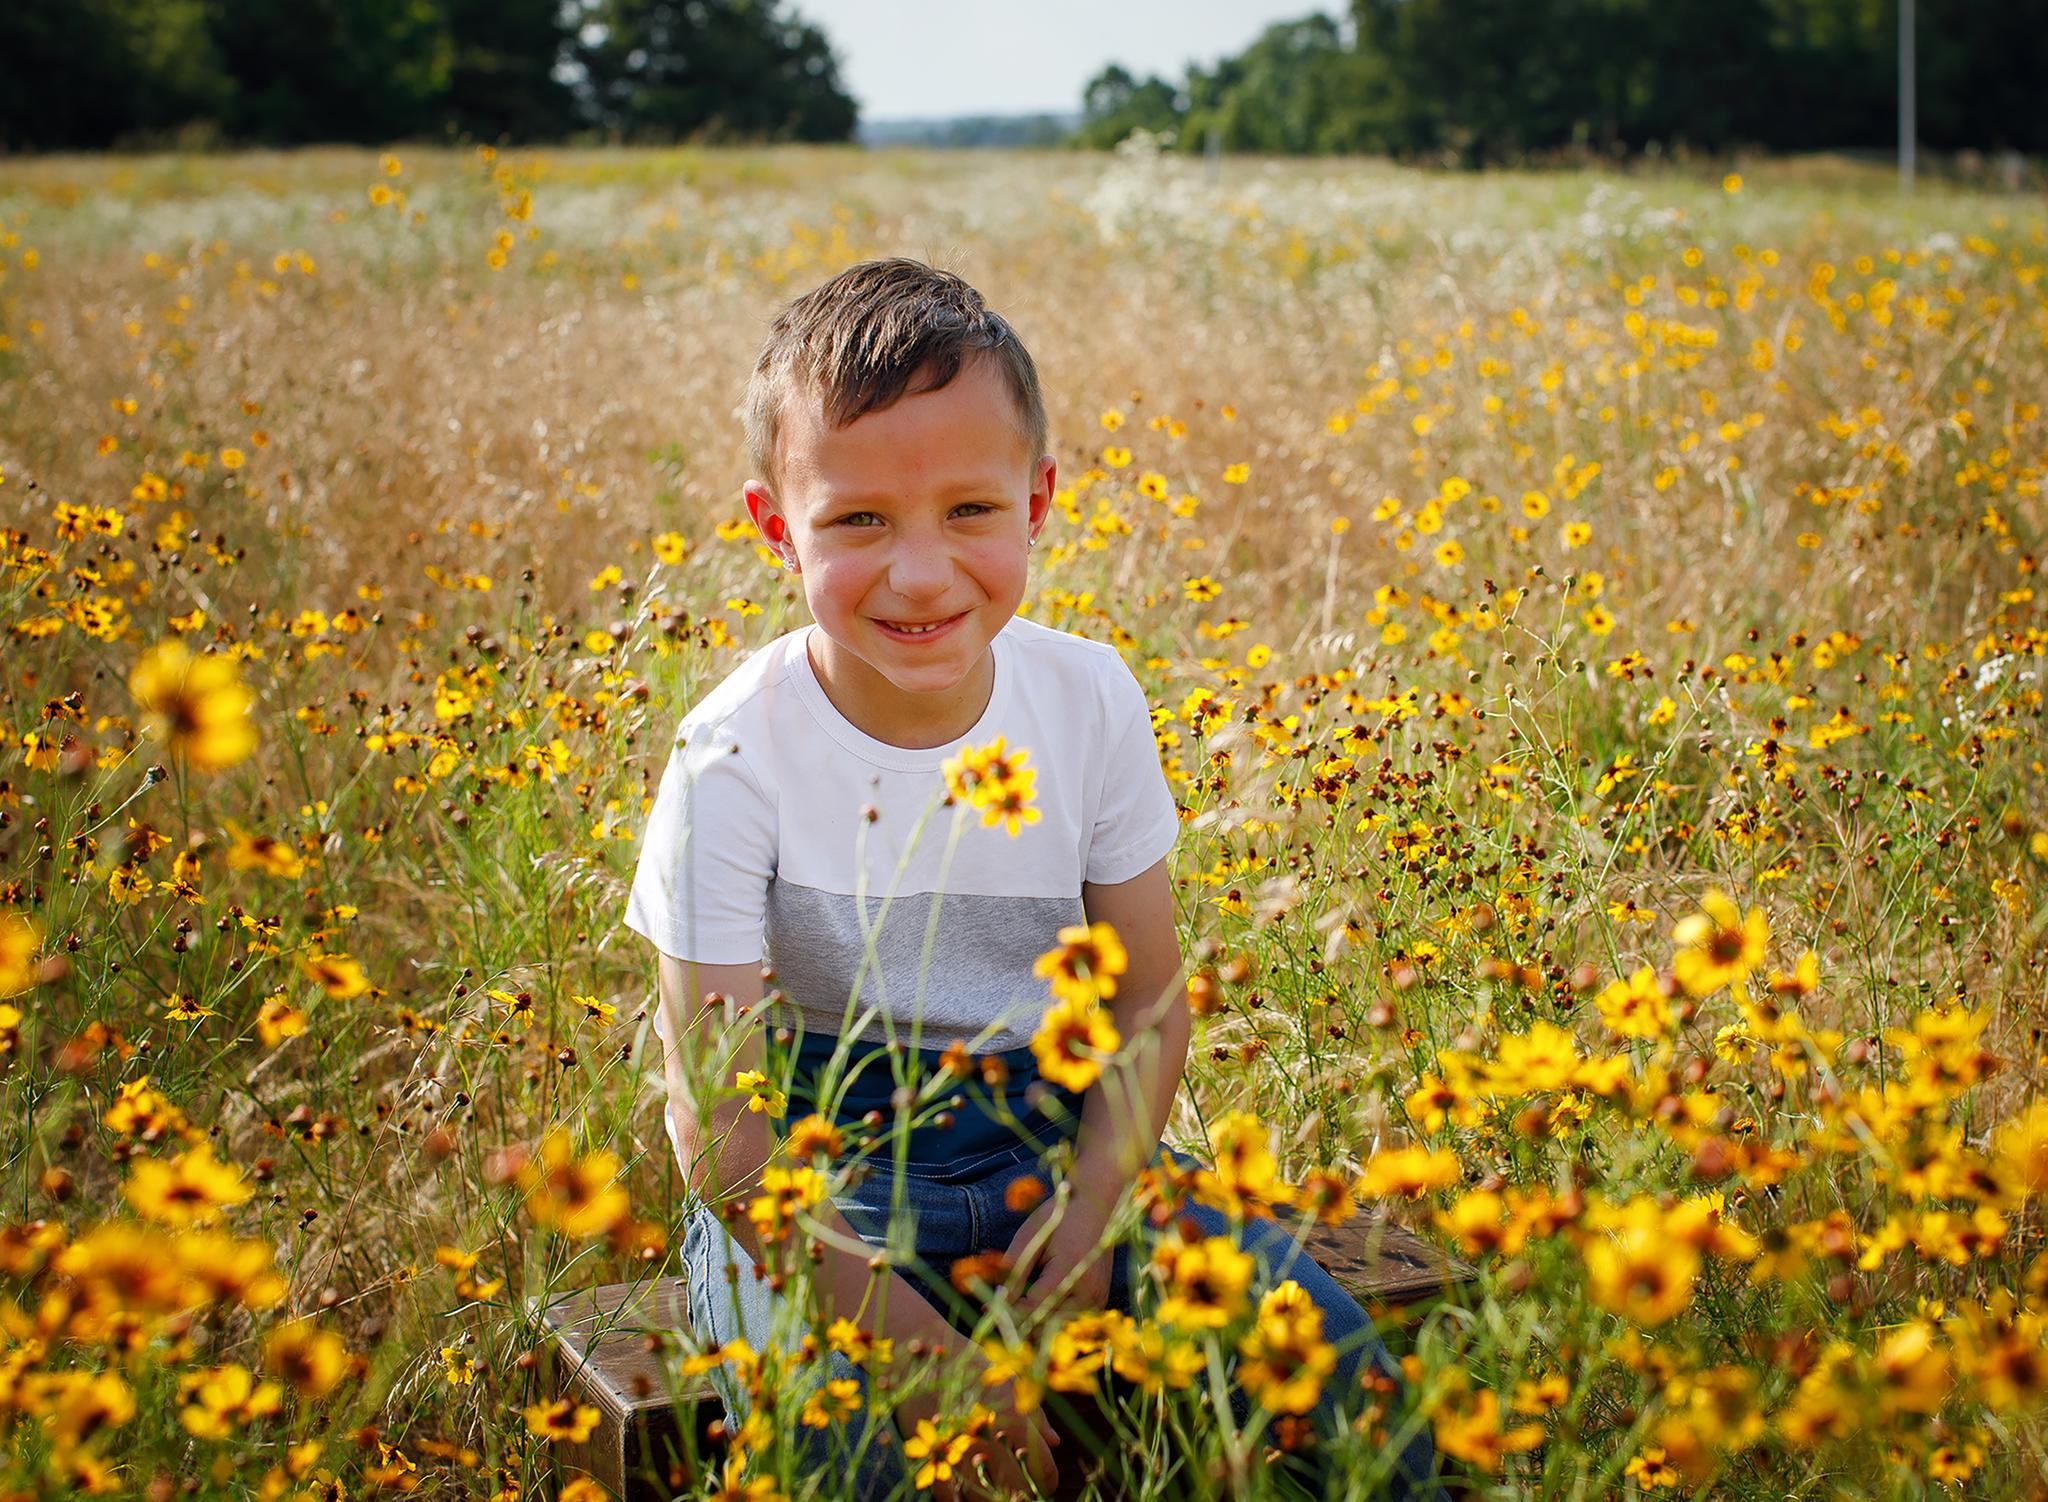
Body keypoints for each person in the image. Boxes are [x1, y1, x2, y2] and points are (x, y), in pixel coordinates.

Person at [624, 258, 1445, 1501]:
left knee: (1349, 1399)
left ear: (1038, 501)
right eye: (857, 520)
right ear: (773, 524)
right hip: (809, 1188)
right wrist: (922, 1358)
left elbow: (1146, 1003)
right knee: (856, 1458)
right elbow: (720, 1130)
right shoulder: (729, 754)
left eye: (968, 510)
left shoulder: (1086, 698)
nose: (918, 571)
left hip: (1058, 1141)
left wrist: (1093, 1212)